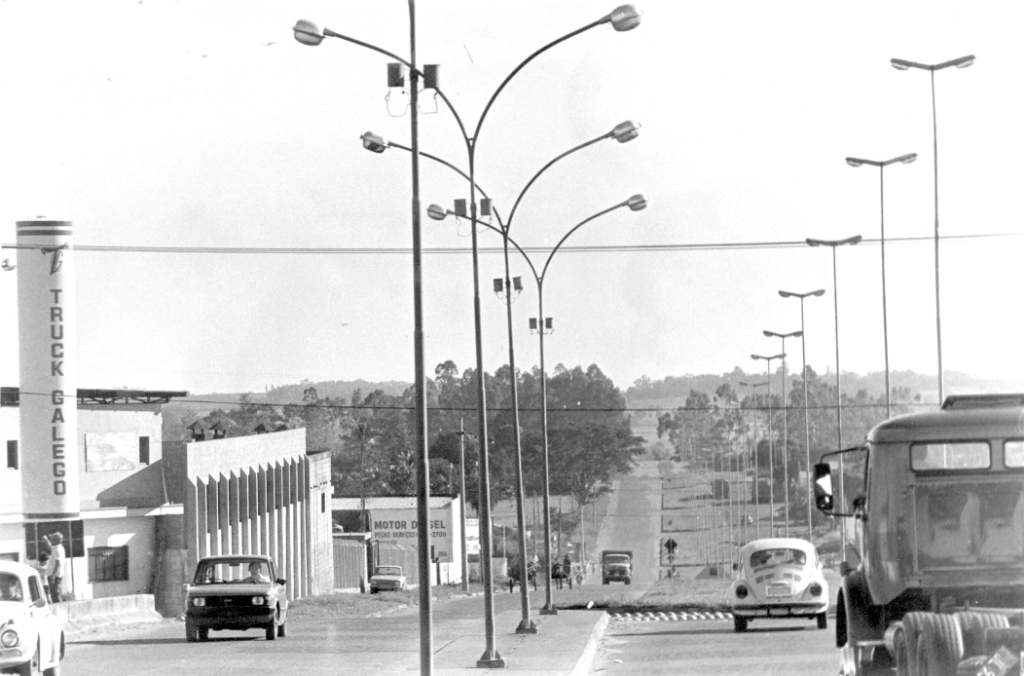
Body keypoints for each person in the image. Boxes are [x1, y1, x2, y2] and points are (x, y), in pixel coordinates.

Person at [46, 532, 66, 602]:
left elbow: (58, 563)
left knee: (55, 594)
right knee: (54, 594)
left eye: (52, 539)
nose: (51, 540)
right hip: (54, 575)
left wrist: (53, 576)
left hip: (55, 575)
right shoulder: (56, 548)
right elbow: (50, 547)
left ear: (56, 541)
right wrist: (46, 540)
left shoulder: (58, 550)